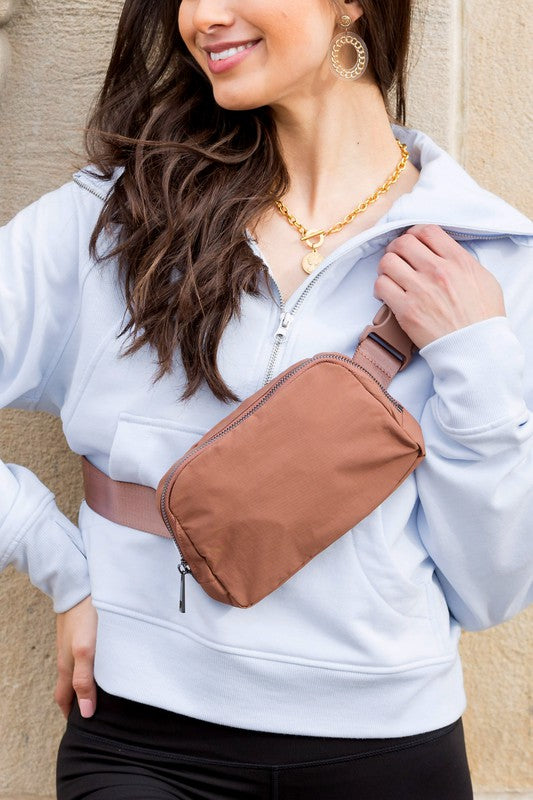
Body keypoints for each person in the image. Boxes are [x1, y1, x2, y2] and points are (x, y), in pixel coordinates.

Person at [1, 0, 532, 797]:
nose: (201, 15)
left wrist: (475, 356)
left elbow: (489, 592)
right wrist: (55, 557)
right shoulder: (111, 220)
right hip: (141, 745)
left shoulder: (487, 257)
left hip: (386, 748)